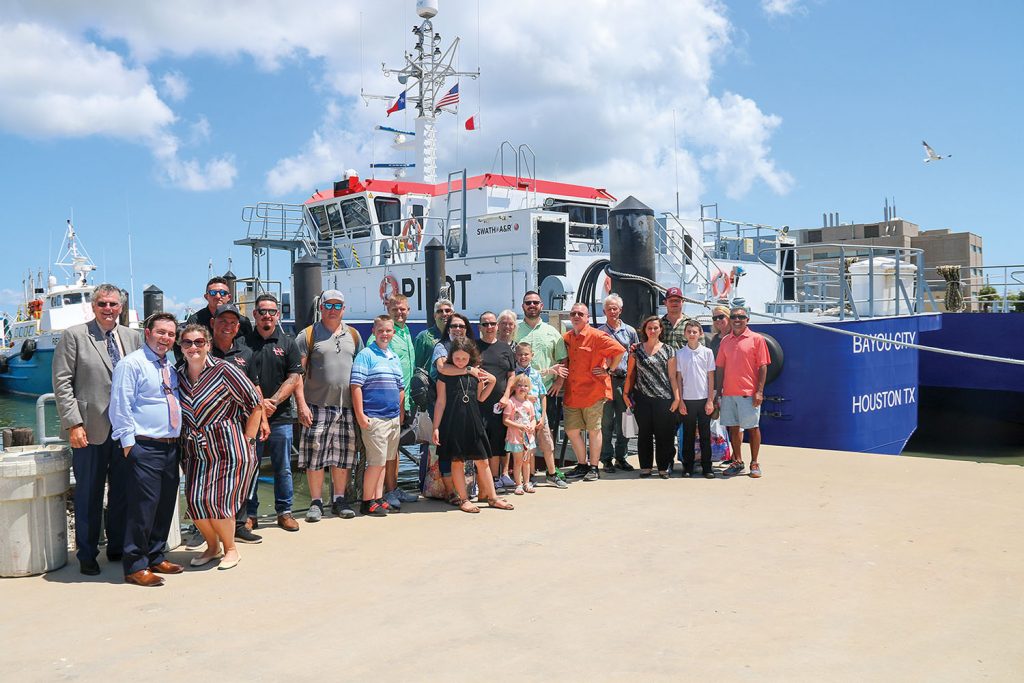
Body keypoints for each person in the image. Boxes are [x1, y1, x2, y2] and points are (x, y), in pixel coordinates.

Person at [51, 284, 141, 576]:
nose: (107, 309)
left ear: (121, 307)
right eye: (102, 303)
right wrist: (73, 423)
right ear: (93, 306)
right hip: (89, 428)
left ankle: (116, 546)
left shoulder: (132, 337)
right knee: (88, 494)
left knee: (122, 493)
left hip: (125, 430)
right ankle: (87, 553)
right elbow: (62, 383)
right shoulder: (74, 336)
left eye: (113, 304)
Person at [177, 325, 264, 570]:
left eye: (198, 342)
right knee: (195, 501)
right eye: (187, 343)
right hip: (195, 450)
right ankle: (212, 547)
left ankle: (231, 549)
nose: (193, 347)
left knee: (219, 502)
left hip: (228, 447)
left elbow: (255, 404)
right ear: (180, 347)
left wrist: (248, 440)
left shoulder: (225, 370)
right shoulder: (178, 374)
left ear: (208, 345)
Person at [109, 313, 183, 587]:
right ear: (147, 333)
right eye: (161, 332)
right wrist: (129, 446)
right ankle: (135, 565)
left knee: (164, 505)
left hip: (170, 446)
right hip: (144, 446)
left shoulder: (171, 365)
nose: (166, 338)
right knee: (142, 508)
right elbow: (120, 406)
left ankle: (155, 554)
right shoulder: (132, 364)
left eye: (171, 334)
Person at [294, 290, 363, 522]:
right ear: (321, 307)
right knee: (315, 456)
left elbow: (361, 372)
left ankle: (339, 499)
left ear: (344, 309)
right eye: (329, 305)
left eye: (338, 306)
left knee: (343, 456)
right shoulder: (308, 335)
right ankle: (315, 502)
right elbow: (297, 374)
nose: (333, 310)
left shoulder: (353, 335)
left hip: (346, 407)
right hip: (316, 405)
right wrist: (301, 405)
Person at [241, 294, 303, 532]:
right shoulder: (244, 343)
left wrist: (274, 401)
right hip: (251, 418)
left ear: (278, 315)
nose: (267, 315)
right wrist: (259, 405)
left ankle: (284, 512)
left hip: (281, 416)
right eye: (262, 311)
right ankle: (250, 514)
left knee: (284, 466)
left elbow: (295, 376)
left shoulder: (288, 343)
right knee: (251, 466)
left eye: (272, 311)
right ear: (254, 314)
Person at [432, 337, 513, 513]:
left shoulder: (476, 373)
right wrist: (436, 427)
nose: (461, 362)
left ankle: (493, 497)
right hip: (453, 422)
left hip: (474, 421)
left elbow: (480, 398)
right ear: (451, 357)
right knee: (457, 462)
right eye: (457, 358)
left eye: (464, 358)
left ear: (471, 357)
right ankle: (464, 499)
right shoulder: (445, 374)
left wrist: (491, 381)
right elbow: (440, 403)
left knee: (483, 460)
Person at [560, 302, 624, 482]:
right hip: (573, 392)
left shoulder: (597, 336)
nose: (576, 316)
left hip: (593, 392)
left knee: (594, 430)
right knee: (572, 430)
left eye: (580, 314)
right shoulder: (567, 337)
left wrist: (609, 370)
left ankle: (594, 467)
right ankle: (582, 464)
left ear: (587, 317)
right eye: (573, 313)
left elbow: (619, 350)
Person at [350, 315, 406, 516]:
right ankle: (367, 502)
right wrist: (360, 415)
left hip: (392, 418)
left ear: (393, 332)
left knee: (385, 461)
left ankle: (378, 497)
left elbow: (400, 387)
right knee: (376, 463)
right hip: (375, 417)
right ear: (374, 331)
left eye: (389, 331)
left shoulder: (393, 356)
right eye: (381, 330)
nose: (385, 334)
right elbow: (356, 386)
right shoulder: (366, 355)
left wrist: (400, 413)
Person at [513, 291, 569, 473]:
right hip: (519, 395)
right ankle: (527, 474)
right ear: (523, 306)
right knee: (521, 434)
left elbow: (563, 359)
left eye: (535, 302)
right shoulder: (515, 330)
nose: (532, 305)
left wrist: (559, 382)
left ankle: (550, 471)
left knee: (545, 432)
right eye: (528, 302)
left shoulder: (552, 332)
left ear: (541, 306)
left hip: (546, 392)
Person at [715, 306, 770, 478]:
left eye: (741, 317)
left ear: (748, 319)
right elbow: (720, 368)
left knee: (753, 428)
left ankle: (754, 462)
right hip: (729, 393)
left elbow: (763, 366)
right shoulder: (725, 341)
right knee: (733, 428)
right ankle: (737, 461)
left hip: (748, 392)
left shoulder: (757, 339)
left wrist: (759, 391)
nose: (737, 320)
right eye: (734, 317)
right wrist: (718, 392)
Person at [623, 316, 679, 478]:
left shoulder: (669, 350)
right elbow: (630, 374)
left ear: (661, 329)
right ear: (644, 330)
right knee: (645, 434)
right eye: (649, 328)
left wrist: (676, 398)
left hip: (664, 398)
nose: (652, 331)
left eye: (655, 328)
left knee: (664, 434)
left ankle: (663, 468)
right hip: (642, 398)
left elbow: (673, 377)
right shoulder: (636, 350)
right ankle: (645, 467)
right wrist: (626, 394)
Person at [514, 342, 567, 488]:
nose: (523, 357)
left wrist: (543, 416)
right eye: (520, 354)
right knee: (529, 448)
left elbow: (543, 395)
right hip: (523, 418)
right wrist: (525, 398)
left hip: (538, 415)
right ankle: (529, 476)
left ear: (532, 355)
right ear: (515, 356)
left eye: (526, 354)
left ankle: (551, 474)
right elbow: (513, 395)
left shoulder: (536, 374)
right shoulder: (513, 375)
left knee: (547, 444)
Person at [596, 293, 639, 473]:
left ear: (620, 310)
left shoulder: (630, 332)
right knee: (606, 422)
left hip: (624, 382)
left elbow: (635, 356)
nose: (612, 311)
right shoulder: (599, 332)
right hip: (605, 382)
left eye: (615, 308)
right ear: (604, 311)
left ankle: (621, 457)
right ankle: (606, 459)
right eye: (609, 309)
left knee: (626, 421)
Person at [384, 294, 419, 507]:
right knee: (388, 450)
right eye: (396, 309)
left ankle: (394, 488)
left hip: (405, 402)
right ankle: (386, 492)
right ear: (388, 309)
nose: (400, 313)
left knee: (394, 448)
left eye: (403, 309)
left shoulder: (405, 333)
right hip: (391, 403)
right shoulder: (385, 335)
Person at [475, 311, 516, 492]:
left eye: (492, 324)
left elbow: (512, 374)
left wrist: (507, 395)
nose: (489, 327)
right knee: (480, 442)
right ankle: (479, 481)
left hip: (500, 404)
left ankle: (495, 478)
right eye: (485, 324)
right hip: (479, 404)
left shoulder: (505, 348)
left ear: (497, 326)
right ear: (480, 327)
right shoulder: (474, 347)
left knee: (498, 442)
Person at [675, 319, 717, 478]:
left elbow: (710, 377)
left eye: (695, 332)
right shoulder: (680, 353)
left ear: (700, 334)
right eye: (689, 331)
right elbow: (679, 378)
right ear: (685, 334)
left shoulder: (707, 352)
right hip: (687, 400)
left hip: (703, 399)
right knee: (688, 435)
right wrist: (681, 401)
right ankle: (688, 467)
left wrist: (710, 400)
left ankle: (707, 467)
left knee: (706, 435)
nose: (692, 334)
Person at [186, 276, 253, 338]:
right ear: (206, 297)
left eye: (223, 293)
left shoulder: (243, 322)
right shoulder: (194, 321)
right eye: (213, 293)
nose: (218, 296)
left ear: (229, 297)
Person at [503, 374, 537, 495]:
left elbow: (533, 418)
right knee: (517, 462)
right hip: (515, 437)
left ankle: (526, 482)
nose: (522, 388)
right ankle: (518, 484)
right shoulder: (511, 402)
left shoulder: (529, 403)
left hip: (528, 438)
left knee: (527, 461)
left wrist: (532, 426)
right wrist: (520, 426)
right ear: (514, 387)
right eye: (519, 385)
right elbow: (505, 420)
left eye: (525, 386)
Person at [414, 298, 454, 371]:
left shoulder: (456, 337)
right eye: (440, 311)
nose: (444, 314)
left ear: (453, 314)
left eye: (448, 311)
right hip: (430, 381)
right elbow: (417, 365)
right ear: (435, 315)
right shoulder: (423, 337)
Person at [660, 287, 688, 351]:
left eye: (677, 300)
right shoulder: (658, 325)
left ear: (682, 302)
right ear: (665, 303)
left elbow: (700, 350)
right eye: (671, 301)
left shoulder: (692, 324)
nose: (674, 303)